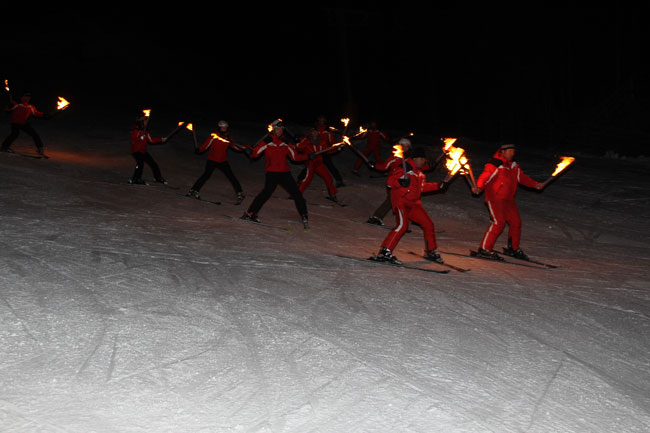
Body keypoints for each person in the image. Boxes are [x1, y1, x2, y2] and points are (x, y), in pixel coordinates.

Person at [374, 147, 446, 264]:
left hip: (414, 203)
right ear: (416, 158)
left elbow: (421, 187)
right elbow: (390, 182)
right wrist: (400, 182)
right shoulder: (404, 167)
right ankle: (385, 252)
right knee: (402, 225)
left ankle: (431, 250)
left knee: (428, 224)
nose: (424, 162)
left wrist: (438, 186)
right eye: (423, 159)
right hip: (401, 201)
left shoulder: (419, 172)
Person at [471, 143, 543, 260]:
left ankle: (513, 248)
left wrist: (535, 185)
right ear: (502, 152)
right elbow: (484, 177)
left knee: (516, 222)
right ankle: (485, 249)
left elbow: (522, 178)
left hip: (509, 199)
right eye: (510, 151)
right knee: (498, 223)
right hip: (495, 198)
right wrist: (479, 187)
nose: (512, 153)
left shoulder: (513, 165)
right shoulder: (495, 164)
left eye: (513, 151)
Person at [241, 119, 310, 227]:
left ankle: (304, 215)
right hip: (272, 173)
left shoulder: (285, 142)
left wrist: (308, 156)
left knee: (297, 194)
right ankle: (250, 214)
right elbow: (255, 153)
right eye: (278, 129)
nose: (280, 131)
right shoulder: (267, 141)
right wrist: (249, 151)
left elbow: (295, 157)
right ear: (273, 129)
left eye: (281, 129)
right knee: (265, 194)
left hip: (285, 173)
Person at [187, 120, 247, 204]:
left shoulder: (227, 137)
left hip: (222, 161)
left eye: (225, 127)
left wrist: (245, 148)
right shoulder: (214, 136)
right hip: (212, 160)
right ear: (219, 127)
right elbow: (206, 145)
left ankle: (239, 193)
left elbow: (235, 146)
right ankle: (194, 190)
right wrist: (199, 150)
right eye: (223, 127)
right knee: (206, 175)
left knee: (231, 176)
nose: (224, 129)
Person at [366, 137, 412, 226]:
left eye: (406, 146)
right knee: (391, 200)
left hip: (405, 184)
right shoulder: (394, 157)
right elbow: (384, 167)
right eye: (402, 145)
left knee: (404, 201)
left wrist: (428, 166)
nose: (403, 147)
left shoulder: (410, 159)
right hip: (393, 183)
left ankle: (407, 221)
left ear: (409, 148)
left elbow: (417, 168)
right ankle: (376, 217)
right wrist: (375, 165)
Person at [296, 127, 338, 202]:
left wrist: (336, 149)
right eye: (313, 131)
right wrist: (301, 144)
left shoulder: (322, 141)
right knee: (307, 179)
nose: (315, 133)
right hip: (310, 163)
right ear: (310, 133)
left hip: (319, 163)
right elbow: (299, 148)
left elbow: (328, 151)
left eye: (316, 131)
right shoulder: (306, 140)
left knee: (328, 177)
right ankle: (298, 195)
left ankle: (332, 194)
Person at [128, 113, 168, 185]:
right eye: (145, 121)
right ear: (141, 121)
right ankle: (136, 178)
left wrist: (161, 139)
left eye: (146, 121)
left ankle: (157, 177)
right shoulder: (136, 129)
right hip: (136, 151)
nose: (146, 122)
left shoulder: (145, 131)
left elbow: (151, 140)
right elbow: (133, 141)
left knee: (153, 164)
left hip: (143, 151)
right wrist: (139, 138)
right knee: (140, 163)